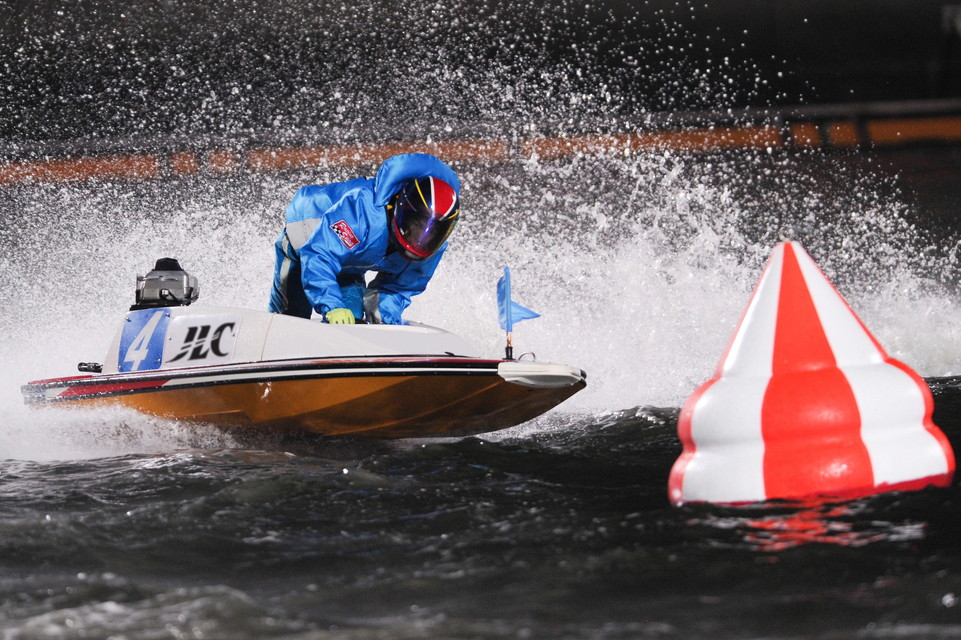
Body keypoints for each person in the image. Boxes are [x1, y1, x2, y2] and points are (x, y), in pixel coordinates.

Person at [269, 153, 461, 325]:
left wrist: (385, 324)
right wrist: (332, 306)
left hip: (350, 262)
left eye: (435, 231)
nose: (423, 238)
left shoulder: (432, 249)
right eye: (417, 226)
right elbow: (319, 256)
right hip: (304, 239)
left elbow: (396, 289)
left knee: (353, 323)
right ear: (401, 208)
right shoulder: (364, 211)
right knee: (292, 319)